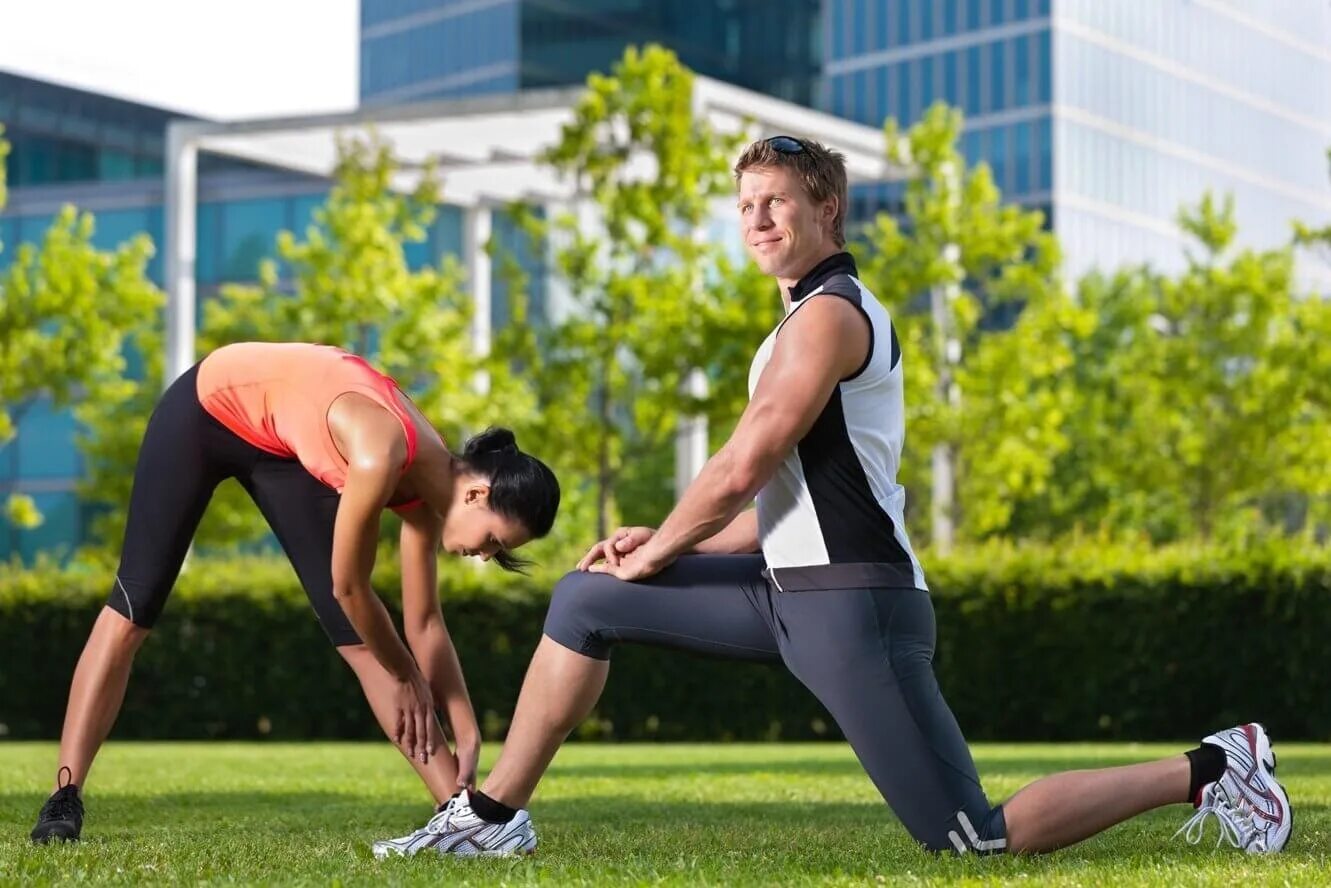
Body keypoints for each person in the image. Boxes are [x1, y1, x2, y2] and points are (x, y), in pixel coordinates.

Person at [371, 136, 1292, 860]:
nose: (758, 219)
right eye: (745, 207)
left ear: (826, 208)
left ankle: (1217, 767)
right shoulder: (794, 322)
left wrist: (663, 554)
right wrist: (672, 542)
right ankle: (492, 815)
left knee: (969, 837)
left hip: (857, 607)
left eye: (775, 202)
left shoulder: (831, 314)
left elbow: (746, 458)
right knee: (583, 600)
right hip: (787, 591)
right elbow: (778, 503)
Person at [30, 341, 560, 844]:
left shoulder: (429, 495)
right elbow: (349, 586)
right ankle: (64, 794)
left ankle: (459, 818)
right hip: (205, 408)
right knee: (134, 606)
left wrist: (465, 728)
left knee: (361, 639)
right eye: (493, 540)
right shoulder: (381, 455)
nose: (485, 554)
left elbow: (424, 624)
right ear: (476, 493)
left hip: (279, 445)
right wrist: (405, 674)